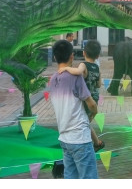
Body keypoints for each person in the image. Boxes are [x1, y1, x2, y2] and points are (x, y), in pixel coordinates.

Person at [48, 40, 100, 179]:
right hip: (80, 138)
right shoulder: (75, 77)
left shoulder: (53, 79)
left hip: (64, 138)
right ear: (72, 56)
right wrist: (94, 112)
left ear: (54, 57)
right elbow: (91, 104)